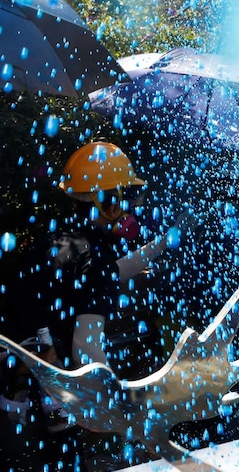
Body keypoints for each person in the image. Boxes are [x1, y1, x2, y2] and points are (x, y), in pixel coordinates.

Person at [6, 142, 193, 367]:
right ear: (109, 206)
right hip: (31, 389)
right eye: (129, 196)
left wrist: (162, 243)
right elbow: (86, 354)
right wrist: (117, 399)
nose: (134, 204)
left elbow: (113, 272)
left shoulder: (58, 239)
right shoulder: (94, 261)